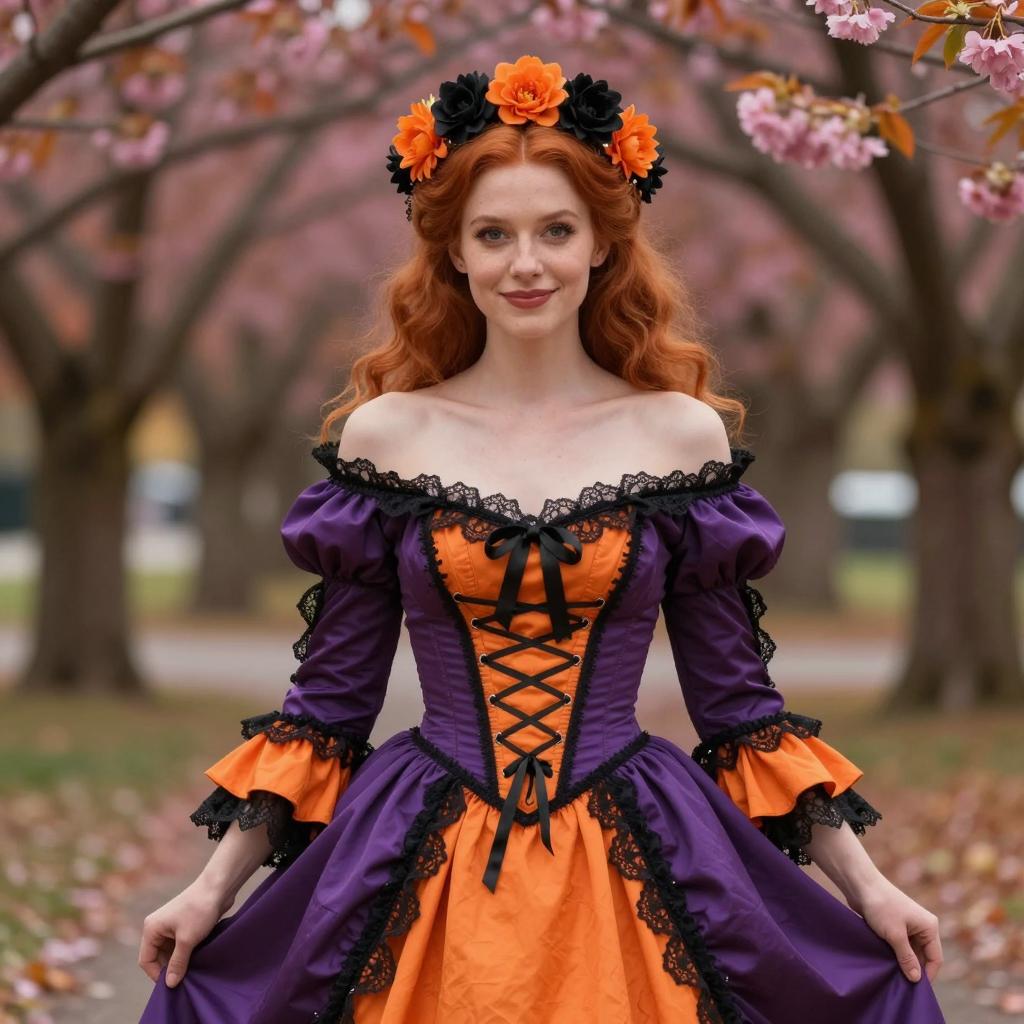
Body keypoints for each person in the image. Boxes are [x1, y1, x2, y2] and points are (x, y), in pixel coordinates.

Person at [138, 54, 945, 1023]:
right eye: (494, 234)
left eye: (556, 230)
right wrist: (210, 887)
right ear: (453, 252)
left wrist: (867, 887)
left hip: (633, 852)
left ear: (602, 242)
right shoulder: (388, 436)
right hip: (421, 855)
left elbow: (736, 705)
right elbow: (329, 703)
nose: (526, 264)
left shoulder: (676, 436)